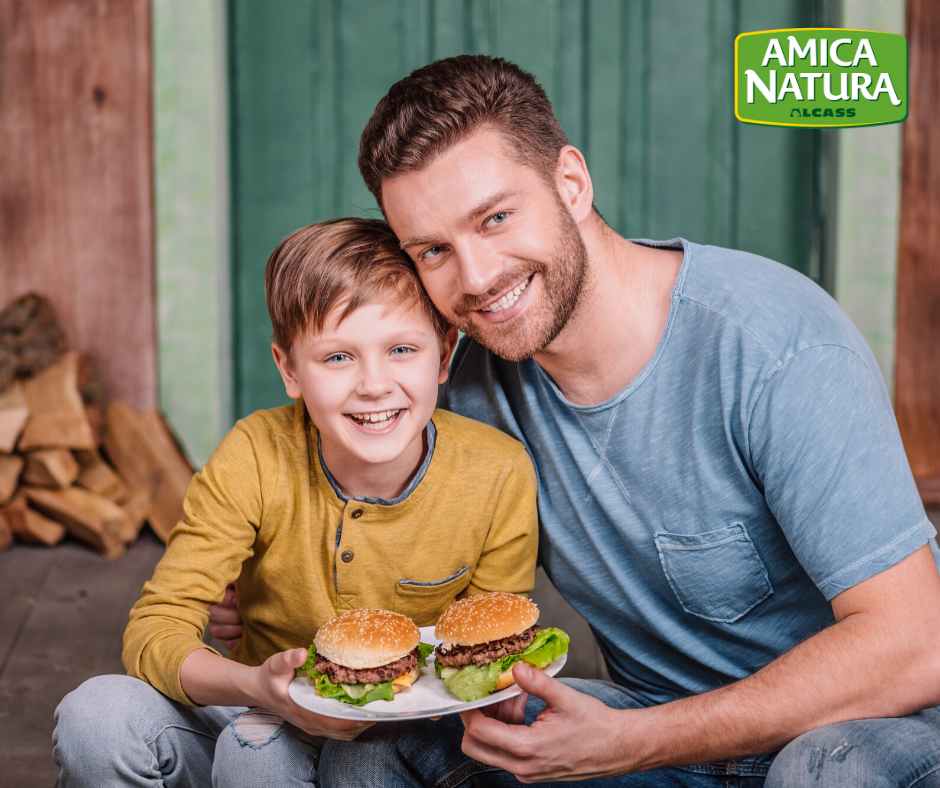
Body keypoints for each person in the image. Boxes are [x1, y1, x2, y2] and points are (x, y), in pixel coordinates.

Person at [301, 56, 940, 786]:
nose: (475, 278)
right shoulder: (469, 383)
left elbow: (916, 644)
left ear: (570, 183)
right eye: (434, 251)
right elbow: (386, 538)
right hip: (650, 726)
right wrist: (262, 574)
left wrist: (633, 741)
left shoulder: (775, 345)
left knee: (823, 770)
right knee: (377, 754)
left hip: (871, 730)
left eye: (496, 218)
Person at [52, 218, 539, 787]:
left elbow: (486, 653)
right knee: (99, 717)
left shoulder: (497, 472)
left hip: (391, 746)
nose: (374, 385)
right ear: (289, 369)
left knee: (266, 760)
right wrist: (256, 686)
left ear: (442, 356)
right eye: (338, 358)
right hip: (251, 708)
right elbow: (157, 629)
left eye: (402, 349)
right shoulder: (256, 454)